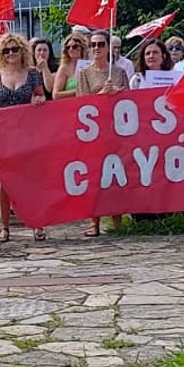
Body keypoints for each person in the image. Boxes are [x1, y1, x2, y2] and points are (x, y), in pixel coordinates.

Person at [0, 32, 46, 242]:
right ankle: (4, 227)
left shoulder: (32, 74)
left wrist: (38, 99)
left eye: (14, 49)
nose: (11, 53)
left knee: (31, 180)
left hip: (28, 132)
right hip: (5, 134)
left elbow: (41, 95)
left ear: (22, 51)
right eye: (6, 50)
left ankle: (37, 224)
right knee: (5, 181)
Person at [76, 30, 130, 236]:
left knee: (117, 175)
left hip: (116, 130)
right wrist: (101, 94)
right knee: (95, 177)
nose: (96, 48)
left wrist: (117, 91)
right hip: (94, 132)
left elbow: (130, 100)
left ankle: (117, 219)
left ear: (108, 47)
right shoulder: (84, 73)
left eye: (100, 44)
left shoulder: (118, 72)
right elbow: (81, 102)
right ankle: (94, 221)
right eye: (93, 45)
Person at [52, 32, 89, 100]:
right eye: (68, 47)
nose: (71, 49)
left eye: (74, 46)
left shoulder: (89, 65)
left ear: (82, 47)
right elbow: (55, 95)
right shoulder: (64, 68)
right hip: (70, 106)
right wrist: (77, 91)